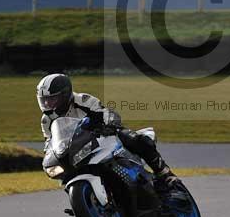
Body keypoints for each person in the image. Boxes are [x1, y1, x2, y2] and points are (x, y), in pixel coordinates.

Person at [37, 73, 178, 186]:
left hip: (102, 136)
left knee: (135, 139)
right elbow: (49, 142)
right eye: (44, 100)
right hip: (78, 149)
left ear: (64, 94)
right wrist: (50, 156)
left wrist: (109, 124)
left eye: (52, 99)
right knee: (65, 173)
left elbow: (105, 112)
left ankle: (164, 173)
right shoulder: (47, 120)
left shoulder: (83, 101)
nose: (47, 104)